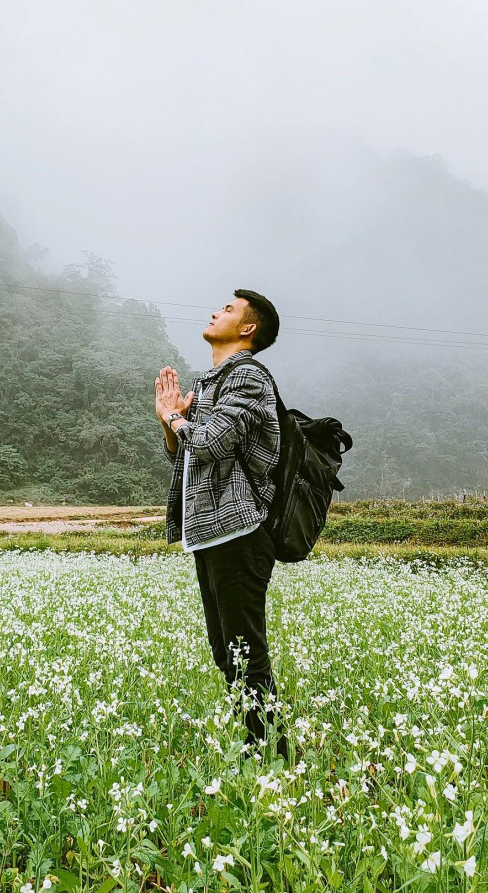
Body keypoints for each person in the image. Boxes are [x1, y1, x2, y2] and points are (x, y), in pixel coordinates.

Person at [154, 289, 286, 758]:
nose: (215, 311)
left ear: (247, 329)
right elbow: (186, 453)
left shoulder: (248, 378)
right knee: (227, 652)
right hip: (211, 531)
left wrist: (173, 415)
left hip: (241, 533)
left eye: (228, 310)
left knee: (245, 652)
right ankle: (257, 748)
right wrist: (173, 424)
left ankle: (272, 757)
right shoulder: (212, 381)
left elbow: (209, 443)